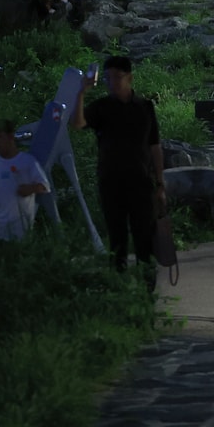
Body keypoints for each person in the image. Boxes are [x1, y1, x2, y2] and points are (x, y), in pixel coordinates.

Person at [73, 56, 166, 282]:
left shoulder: (144, 107)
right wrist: (81, 93)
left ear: (129, 78)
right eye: (107, 77)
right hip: (111, 182)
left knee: (144, 234)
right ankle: (120, 286)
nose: (112, 82)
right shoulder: (102, 107)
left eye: (117, 77)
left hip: (141, 181)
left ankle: (147, 287)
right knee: (117, 237)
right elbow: (78, 124)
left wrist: (160, 183)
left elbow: (154, 146)